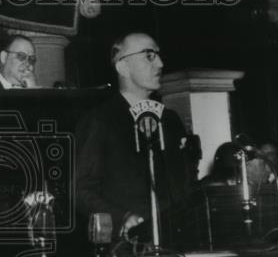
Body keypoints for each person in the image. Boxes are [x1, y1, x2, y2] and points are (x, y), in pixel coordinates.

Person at [74, 32, 192, 241]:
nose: (160, 63)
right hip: (131, 246)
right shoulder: (100, 120)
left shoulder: (170, 119)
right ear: (123, 67)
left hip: (180, 240)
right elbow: (81, 190)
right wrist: (123, 218)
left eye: (157, 54)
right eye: (149, 55)